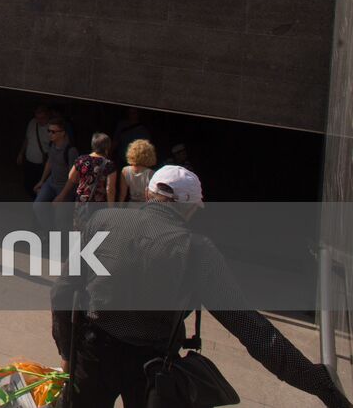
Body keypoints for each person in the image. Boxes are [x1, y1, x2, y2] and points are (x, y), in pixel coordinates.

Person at [51, 166, 350, 408]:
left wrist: (67, 351)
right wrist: (318, 383)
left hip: (92, 356)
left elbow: (63, 291)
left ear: (147, 193)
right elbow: (252, 328)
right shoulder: (196, 250)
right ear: (192, 208)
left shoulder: (101, 221)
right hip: (152, 370)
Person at [56, 132, 116, 226]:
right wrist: (111, 209)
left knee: (79, 231)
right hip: (99, 205)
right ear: (107, 147)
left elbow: (71, 178)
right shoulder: (109, 165)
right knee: (97, 234)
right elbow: (110, 189)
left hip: (81, 203)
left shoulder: (81, 160)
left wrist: (83, 180)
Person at [34, 116, 78, 232]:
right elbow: (50, 162)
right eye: (49, 131)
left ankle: (59, 244)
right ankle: (48, 232)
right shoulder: (52, 145)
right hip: (51, 182)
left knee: (60, 220)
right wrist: (42, 181)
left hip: (64, 186)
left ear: (62, 133)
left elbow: (73, 178)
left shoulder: (71, 150)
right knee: (38, 206)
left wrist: (62, 196)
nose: (50, 134)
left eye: (53, 132)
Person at [16, 103, 51, 198]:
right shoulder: (32, 122)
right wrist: (21, 153)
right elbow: (27, 139)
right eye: (37, 117)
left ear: (47, 115)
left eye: (42, 118)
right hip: (29, 160)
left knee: (40, 185)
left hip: (41, 163)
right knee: (27, 184)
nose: (39, 121)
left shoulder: (51, 129)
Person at [117, 138, 157, 204]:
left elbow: (122, 195)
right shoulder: (151, 173)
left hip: (131, 206)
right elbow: (152, 196)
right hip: (145, 207)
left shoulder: (125, 170)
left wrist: (118, 210)